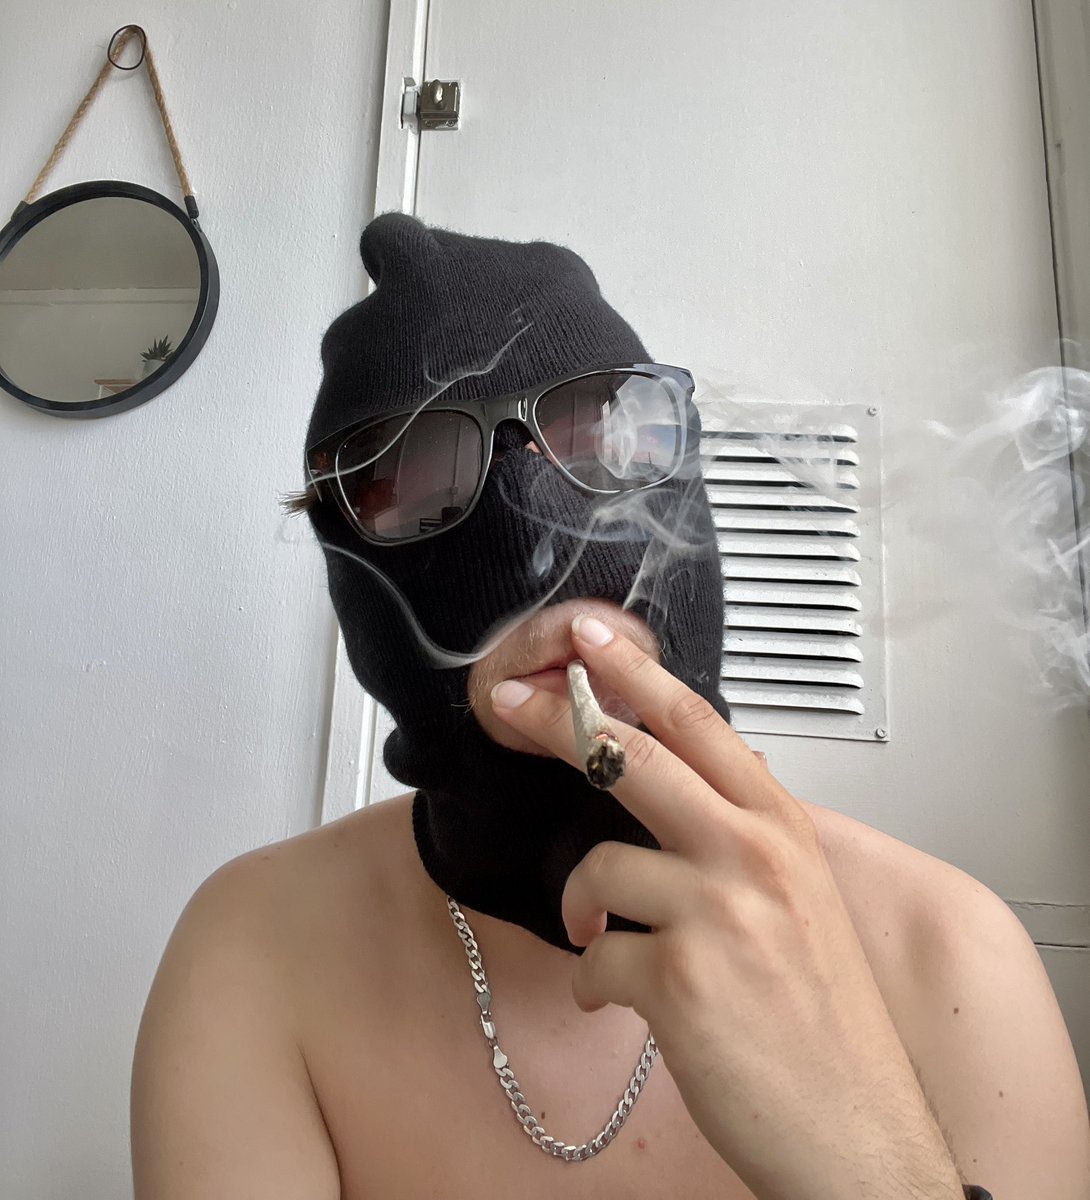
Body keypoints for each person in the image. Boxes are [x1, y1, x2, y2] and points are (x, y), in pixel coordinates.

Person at [130, 214, 1090, 1199]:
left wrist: (868, 1157)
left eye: (604, 435)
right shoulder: (259, 952)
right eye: (420, 475)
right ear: (351, 577)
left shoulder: (946, 951)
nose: (534, 525)